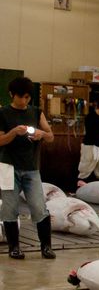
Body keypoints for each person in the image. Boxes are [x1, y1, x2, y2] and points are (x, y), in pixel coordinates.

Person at [0, 76, 56, 259]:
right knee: (9, 208)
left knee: (39, 207)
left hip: (31, 168)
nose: (24, 101)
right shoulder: (3, 113)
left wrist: (41, 134)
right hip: (8, 167)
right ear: (11, 95)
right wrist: (14, 132)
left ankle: (46, 247)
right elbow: (0, 140)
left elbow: (51, 136)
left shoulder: (36, 112)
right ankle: (14, 247)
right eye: (20, 97)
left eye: (27, 97)